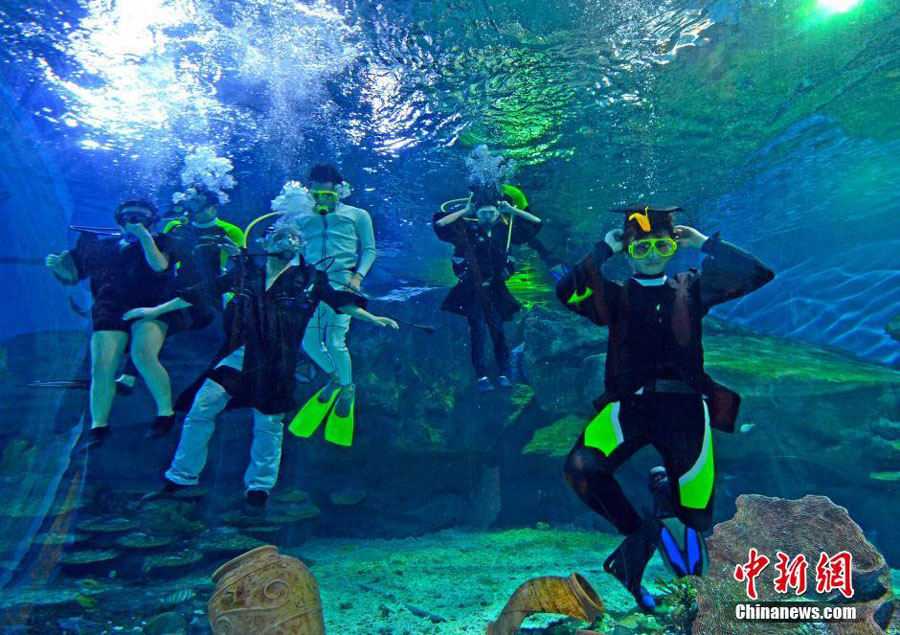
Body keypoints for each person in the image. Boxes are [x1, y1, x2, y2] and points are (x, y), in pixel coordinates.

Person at [555, 205, 775, 612]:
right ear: (628, 252)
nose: (652, 253)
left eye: (662, 244)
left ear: (674, 246)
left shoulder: (691, 287)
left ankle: (668, 518)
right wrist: (603, 249)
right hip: (630, 406)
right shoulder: (615, 297)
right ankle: (638, 536)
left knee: (696, 518)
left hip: (687, 411)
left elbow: (758, 274)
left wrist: (705, 243)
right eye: (641, 247)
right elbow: (566, 290)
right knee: (581, 470)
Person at [144, 225, 397, 514]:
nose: (285, 242)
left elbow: (340, 303)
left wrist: (373, 318)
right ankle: (181, 477)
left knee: (268, 423)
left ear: (301, 245)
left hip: (278, 361)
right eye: (278, 236)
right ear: (265, 241)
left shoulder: (310, 279)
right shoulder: (245, 273)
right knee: (202, 406)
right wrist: (152, 312)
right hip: (239, 354)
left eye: (292, 238)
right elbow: (200, 293)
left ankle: (259, 488)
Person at [45, 200, 175, 448]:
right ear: (119, 219)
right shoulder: (102, 248)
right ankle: (98, 426)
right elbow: (72, 276)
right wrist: (57, 267)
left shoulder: (163, 242)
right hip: (109, 307)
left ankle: (165, 413)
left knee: (144, 355)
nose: (134, 221)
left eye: (141, 217)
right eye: (128, 217)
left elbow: (159, 265)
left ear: (152, 221)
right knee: (101, 367)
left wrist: (145, 237)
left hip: (150, 307)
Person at [114, 189, 244, 420]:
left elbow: (237, 267)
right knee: (150, 319)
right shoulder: (174, 227)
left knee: (166, 316)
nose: (193, 209)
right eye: (190, 202)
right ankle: (131, 373)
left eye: (199, 204)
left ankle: (133, 374)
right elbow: (161, 258)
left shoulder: (230, 231)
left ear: (214, 206)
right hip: (177, 284)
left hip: (209, 288)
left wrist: (233, 262)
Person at [289, 163, 376, 443]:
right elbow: (295, 253)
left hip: (342, 282)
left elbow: (370, 249)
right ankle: (335, 379)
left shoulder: (357, 215)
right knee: (310, 343)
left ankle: (347, 389)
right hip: (312, 284)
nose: (322, 200)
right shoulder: (302, 218)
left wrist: (358, 277)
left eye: (328, 194)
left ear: (339, 190)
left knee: (336, 340)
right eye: (316, 195)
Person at [433, 182, 542, 392]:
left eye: (491, 213)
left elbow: (537, 223)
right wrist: (466, 210)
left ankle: (504, 373)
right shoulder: (467, 228)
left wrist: (511, 210)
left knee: (498, 331)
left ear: (496, 211)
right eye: (483, 213)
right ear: (477, 212)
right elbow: (440, 226)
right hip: (473, 289)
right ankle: (481, 376)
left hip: (496, 289)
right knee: (478, 330)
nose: (487, 217)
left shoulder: (504, 229)